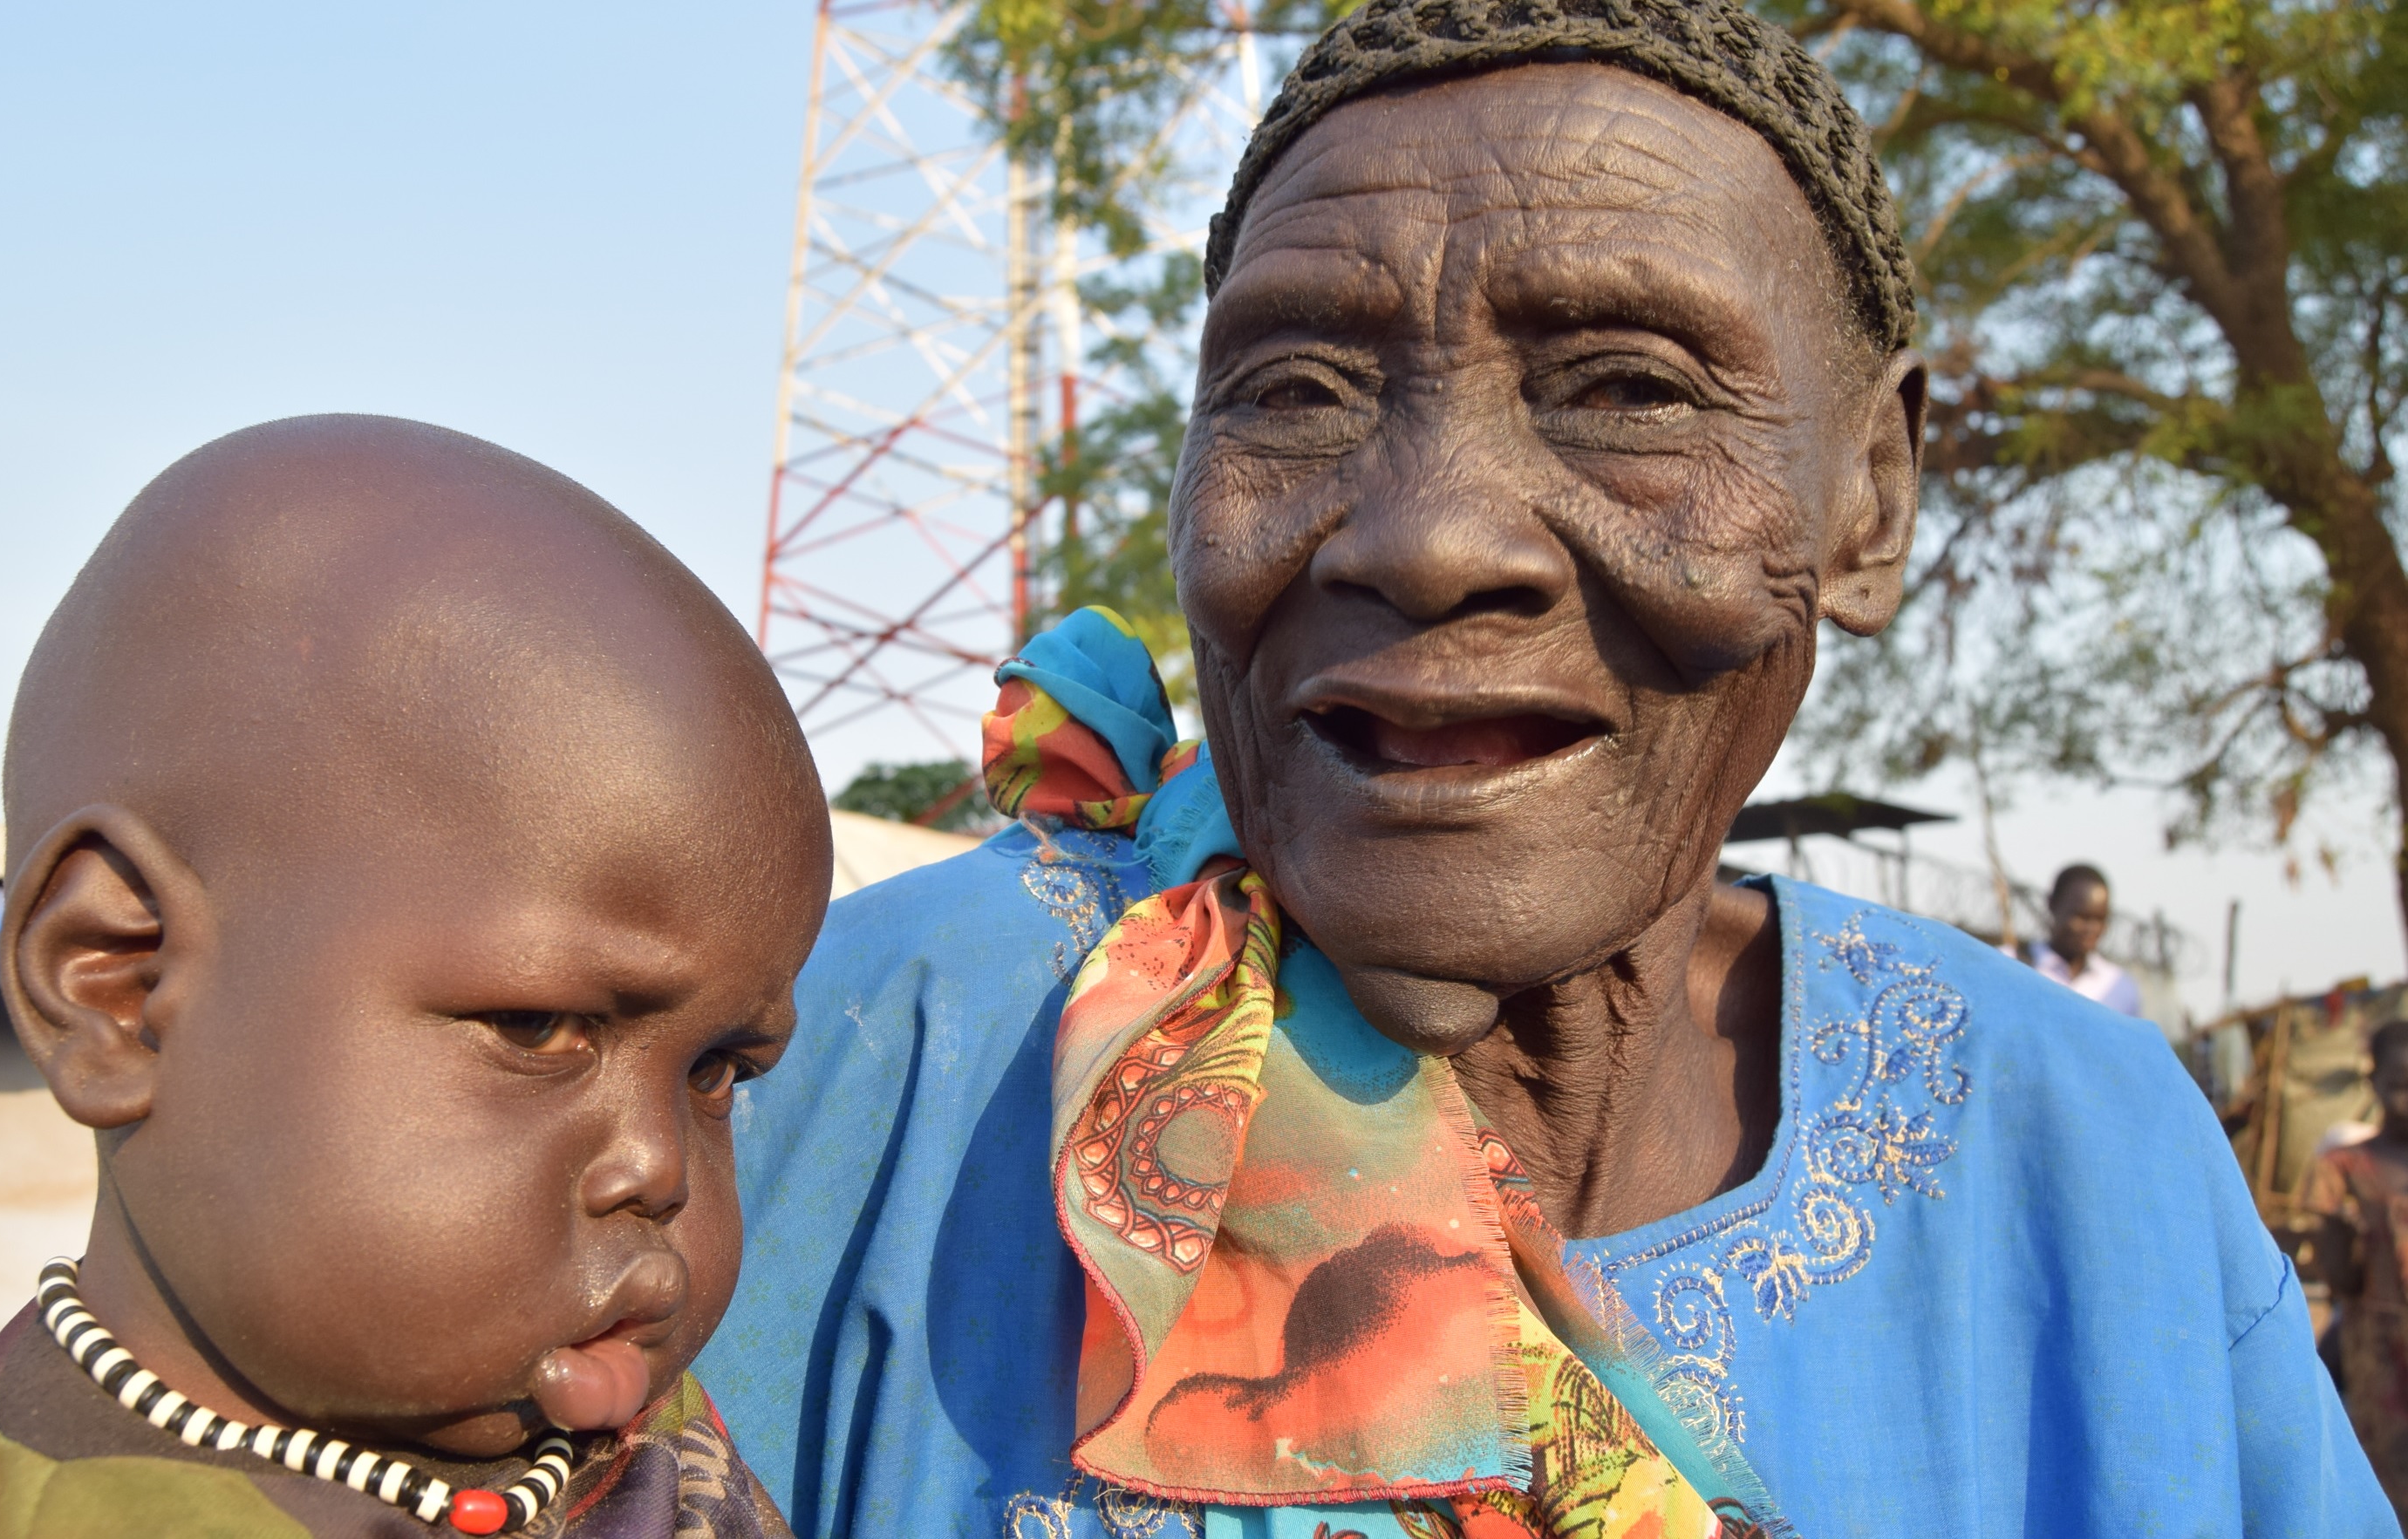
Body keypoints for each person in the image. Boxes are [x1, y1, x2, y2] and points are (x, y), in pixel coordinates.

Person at [694, 3, 2392, 1536]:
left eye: (1626, 389)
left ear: (1868, 497)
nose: (1429, 538)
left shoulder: (2082, 1160)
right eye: (1292, 388)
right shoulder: (876, 1059)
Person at [0, 416, 831, 1537]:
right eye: (535, 1025)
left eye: (718, 1069)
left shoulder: (609, 1442)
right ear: (118, 988)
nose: (656, 1170)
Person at [2309, 1021, 2408, 1516]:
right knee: (2384, 1487)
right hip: (2378, 1352)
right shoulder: (2345, 1166)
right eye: (2398, 1084)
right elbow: (2339, 1278)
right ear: (2373, 1083)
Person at [2016, 863, 2143, 1016]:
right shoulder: (2013, 964)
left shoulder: (2119, 986)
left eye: (2100, 919)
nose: (2091, 929)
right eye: (2081, 917)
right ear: (2052, 904)